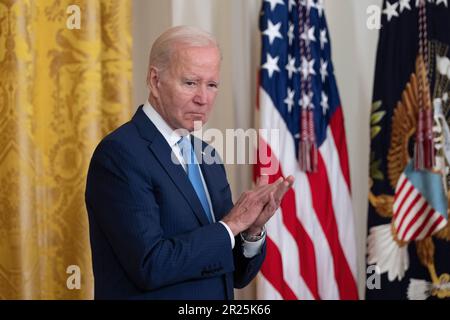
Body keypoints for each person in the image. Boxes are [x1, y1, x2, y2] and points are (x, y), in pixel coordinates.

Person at [85, 25, 294, 300]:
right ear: (155, 81)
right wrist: (232, 225)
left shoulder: (208, 156)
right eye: (190, 83)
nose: (203, 99)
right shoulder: (119, 154)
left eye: (212, 85)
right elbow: (150, 265)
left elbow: (236, 274)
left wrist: (251, 231)